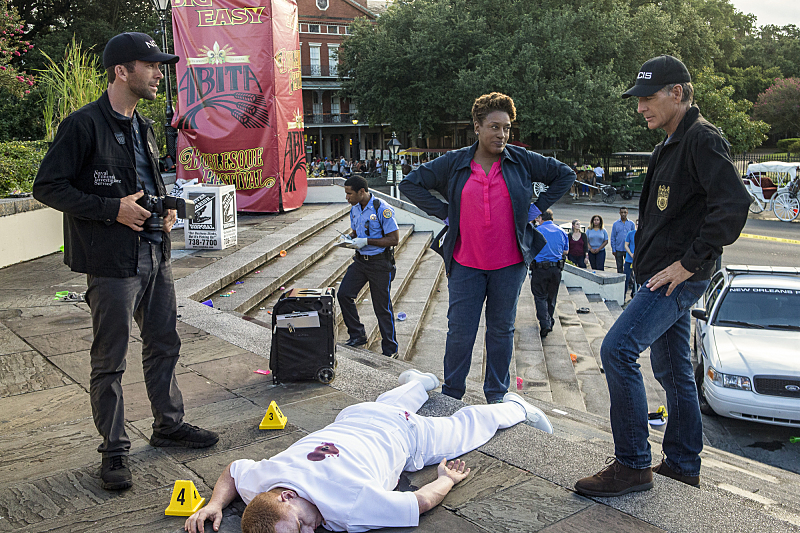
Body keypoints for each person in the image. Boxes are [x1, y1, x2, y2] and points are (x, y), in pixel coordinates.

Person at [32, 32, 219, 492]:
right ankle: (114, 450)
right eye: (151, 65)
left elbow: (141, 185)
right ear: (122, 70)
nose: (159, 73)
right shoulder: (82, 125)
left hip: (156, 252)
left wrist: (165, 207)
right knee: (109, 359)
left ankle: (168, 424)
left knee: (164, 343)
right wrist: (112, 209)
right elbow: (48, 187)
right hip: (112, 262)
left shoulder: (144, 127)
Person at [575, 55, 750, 497]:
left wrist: (690, 264)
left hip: (674, 278)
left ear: (678, 93)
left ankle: (633, 465)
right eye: (638, 100)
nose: (640, 108)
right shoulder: (670, 143)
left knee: (617, 350)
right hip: (657, 273)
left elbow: (732, 206)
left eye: (648, 98)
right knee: (672, 370)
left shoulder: (701, 138)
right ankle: (683, 464)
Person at [182, 370, 553, 533]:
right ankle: (420, 382)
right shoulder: (262, 485)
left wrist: (446, 480)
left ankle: (517, 406)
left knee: (465, 427)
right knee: (390, 401)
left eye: (299, 527)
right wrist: (214, 504)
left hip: (406, 433)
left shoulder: (351, 506)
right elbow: (234, 471)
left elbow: (419, 504)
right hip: (357, 416)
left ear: (287, 496)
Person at [399, 92, 574, 404]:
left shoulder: (520, 160)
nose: (502, 134)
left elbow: (565, 175)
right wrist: (444, 212)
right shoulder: (455, 162)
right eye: (494, 127)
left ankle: (496, 395)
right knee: (460, 332)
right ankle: (452, 394)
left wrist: (537, 209)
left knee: (501, 331)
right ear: (477, 127)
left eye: (507, 128)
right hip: (466, 263)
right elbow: (410, 183)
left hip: (509, 265)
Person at [337, 176, 401, 357]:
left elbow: (394, 239)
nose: (347, 197)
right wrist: (349, 239)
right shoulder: (355, 209)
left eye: (349, 193)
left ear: (362, 192)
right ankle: (357, 334)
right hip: (360, 262)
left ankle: (390, 349)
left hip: (380, 263)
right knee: (344, 294)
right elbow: (357, 230)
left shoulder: (382, 209)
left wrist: (366, 241)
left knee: (382, 307)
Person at [529, 209, 568, 338]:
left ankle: (545, 323)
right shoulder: (562, 231)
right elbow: (565, 251)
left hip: (539, 269)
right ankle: (549, 320)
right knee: (552, 296)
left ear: (541, 218)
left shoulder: (537, 231)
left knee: (540, 296)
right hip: (555, 269)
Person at [610, 207, 635, 273]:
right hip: (619, 249)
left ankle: (629, 282)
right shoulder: (616, 224)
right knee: (619, 267)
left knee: (629, 268)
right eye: (622, 212)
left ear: (627, 213)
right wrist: (614, 249)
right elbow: (613, 237)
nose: (623, 214)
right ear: (619, 213)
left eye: (625, 212)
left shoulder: (631, 224)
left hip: (628, 250)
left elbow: (633, 237)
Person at [623, 220, 638, 299]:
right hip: (629, 260)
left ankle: (634, 294)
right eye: (637, 224)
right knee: (626, 277)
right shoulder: (631, 233)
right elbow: (626, 245)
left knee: (637, 279)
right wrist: (631, 254)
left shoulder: (644, 235)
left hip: (638, 261)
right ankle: (623, 295)